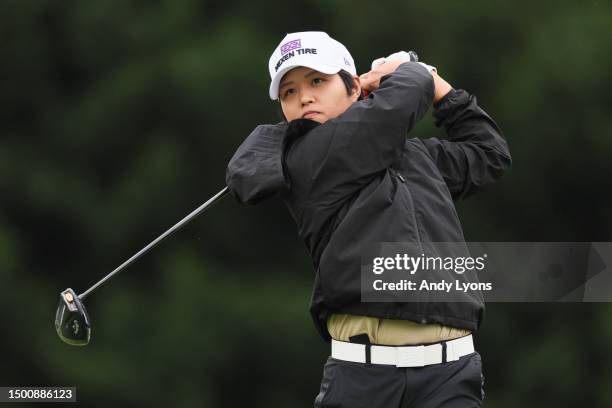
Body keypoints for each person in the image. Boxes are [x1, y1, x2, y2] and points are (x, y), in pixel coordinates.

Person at [226, 31, 511, 407]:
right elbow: (402, 98)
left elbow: (488, 153)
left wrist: (437, 83)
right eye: (288, 92)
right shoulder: (309, 158)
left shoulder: (417, 158)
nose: (304, 97)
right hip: (364, 379)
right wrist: (409, 68)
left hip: (451, 373)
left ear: (354, 87)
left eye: (317, 81)